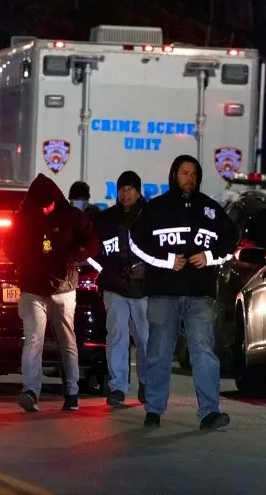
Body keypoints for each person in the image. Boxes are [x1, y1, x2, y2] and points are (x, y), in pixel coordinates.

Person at [130, 154, 238, 429]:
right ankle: (153, 410)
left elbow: (231, 241)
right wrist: (167, 261)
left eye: (194, 174)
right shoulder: (157, 208)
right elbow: (135, 242)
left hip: (199, 294)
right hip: (164, 292)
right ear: (174, 175)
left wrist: (210, 256)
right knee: (159, 352)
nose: (189, 179)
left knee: (203, 352)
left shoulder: (210, 209)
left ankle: (209, 413)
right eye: (184, 173)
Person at [3, 173, 100, 412]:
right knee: (33, 341)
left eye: (47, 203)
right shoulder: (24, 218)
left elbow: (93, 242)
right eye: (40, 203)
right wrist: (22, 262)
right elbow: (9, 246)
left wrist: (76, 256)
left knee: (67, 342)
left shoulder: (72, 217)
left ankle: (72, 392)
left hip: (63, 289)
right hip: (32, 289)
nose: (44, 208)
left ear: (55, 198)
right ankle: (30, 391)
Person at [88, 170, 149, 407]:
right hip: (114, 286)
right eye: (122, 189)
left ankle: (146, 383)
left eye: (130, 189)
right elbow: (92, 252)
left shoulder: (149, 218)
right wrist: (108, 272)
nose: (126, 194)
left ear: (138, 190)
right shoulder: (105, 220)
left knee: (145, 338)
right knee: (117, 336)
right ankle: (117, 388)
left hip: (143, 288)